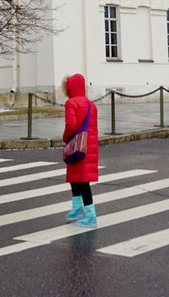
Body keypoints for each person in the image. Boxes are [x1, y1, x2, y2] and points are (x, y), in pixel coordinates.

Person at [62, 73, 99, 227]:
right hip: (88, 146)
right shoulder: (91, 104)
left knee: (83, 182)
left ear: (69, 87)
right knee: (75, 178)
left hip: (77, 145)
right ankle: (77, 209)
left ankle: (91, 217)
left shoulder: (71, 103)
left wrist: (65, 138)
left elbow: (71, 126)